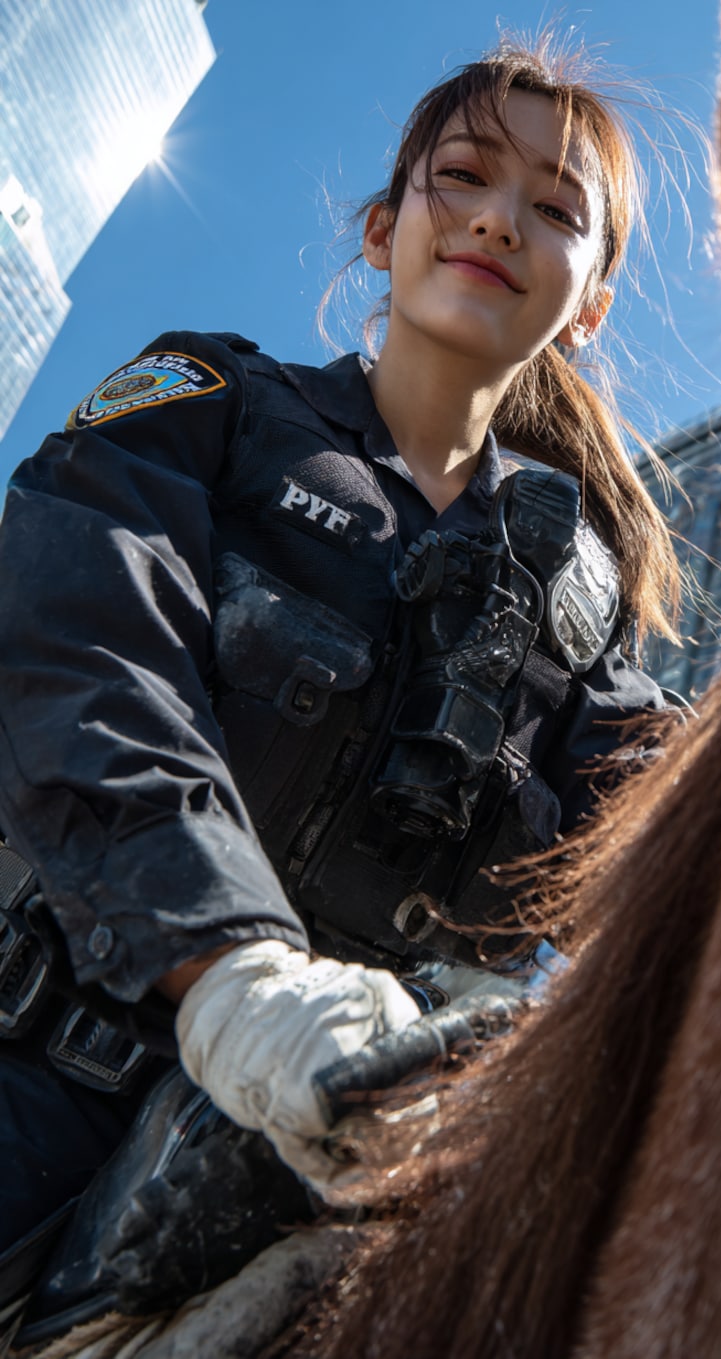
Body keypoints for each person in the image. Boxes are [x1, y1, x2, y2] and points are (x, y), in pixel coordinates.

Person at [0, 29, 680, 1311]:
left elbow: (688, 840)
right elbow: (78, 650)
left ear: (586, 303)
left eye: (552, 209)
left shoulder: (585, 619)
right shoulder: (203, 405)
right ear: (383, 228)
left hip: (370, 1150)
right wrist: (234, 972)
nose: (496, 221)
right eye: (463, 177)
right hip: (48, 1093)